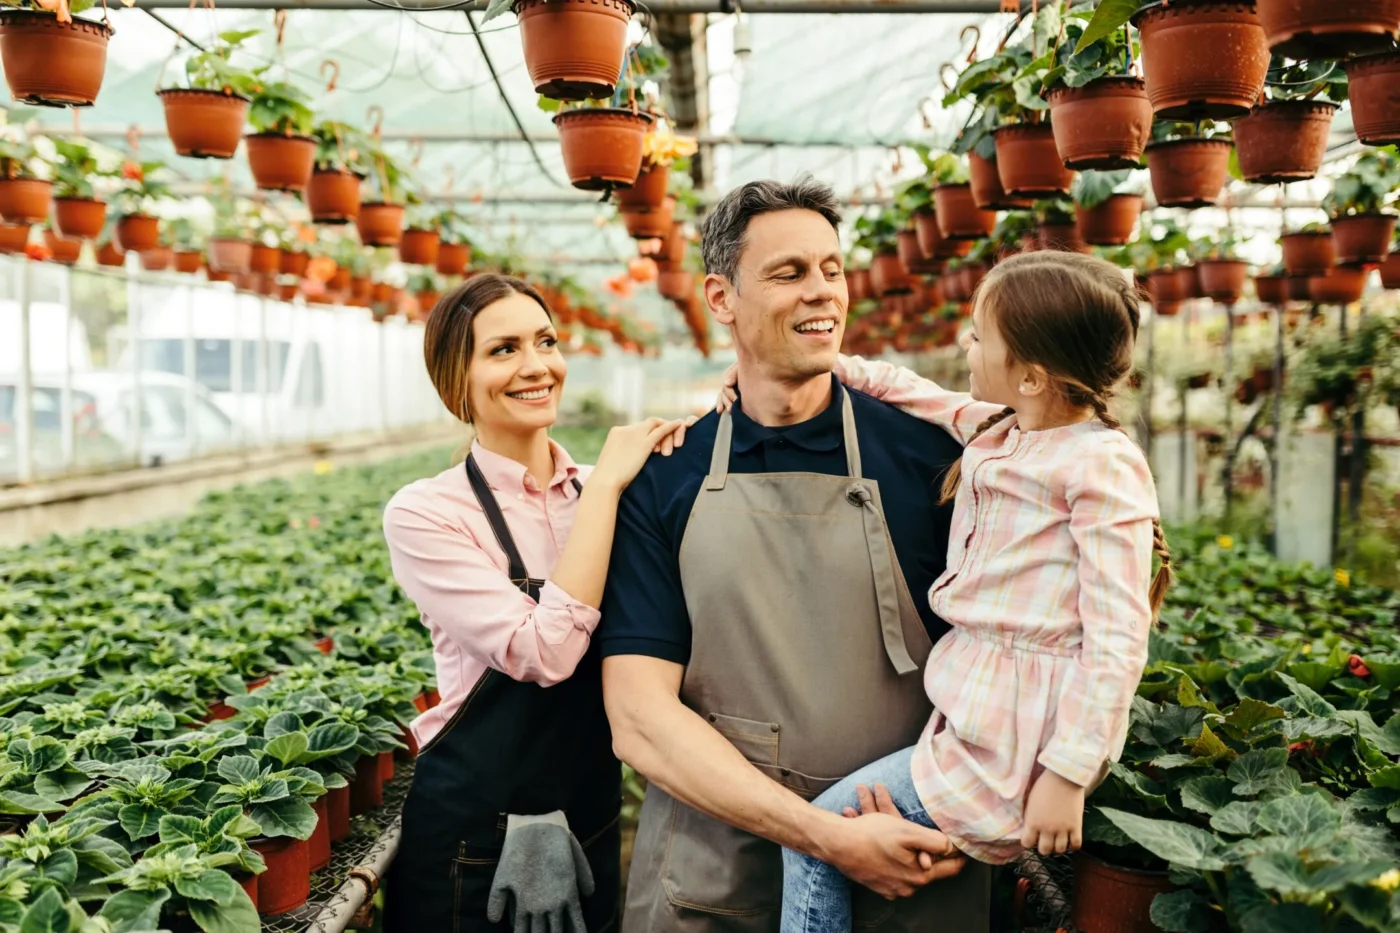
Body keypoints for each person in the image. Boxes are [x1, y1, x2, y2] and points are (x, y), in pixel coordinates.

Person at [598, 176, 992, 933]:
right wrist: (828, 837)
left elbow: (1015, 651)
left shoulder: (935, 461)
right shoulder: (667, 475)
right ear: (721, 298)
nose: (823, 293)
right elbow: (639, 716)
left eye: (832, 269)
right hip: (717, 867)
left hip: (908, 852)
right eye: (789, 273)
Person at [759, 251, 1173, 933]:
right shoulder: (1004, 428)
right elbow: (911, 389)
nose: (965, 343)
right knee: (835, 834)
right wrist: (825, 366)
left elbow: (1118, 641)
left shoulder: (1098, 464)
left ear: (1033, 375)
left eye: (980, 336)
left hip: (1014, 748)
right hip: (975, 719)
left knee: (815, 834)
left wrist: (1068, 776)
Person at [382, 274, 692, 933]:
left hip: (587, 810)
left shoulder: (607, 491)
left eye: (545, 341)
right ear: (454, 381)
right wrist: (606, 485)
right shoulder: (428, 512)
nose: (535, 365)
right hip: (473, 831)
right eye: (502, 350)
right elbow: (542, 651)